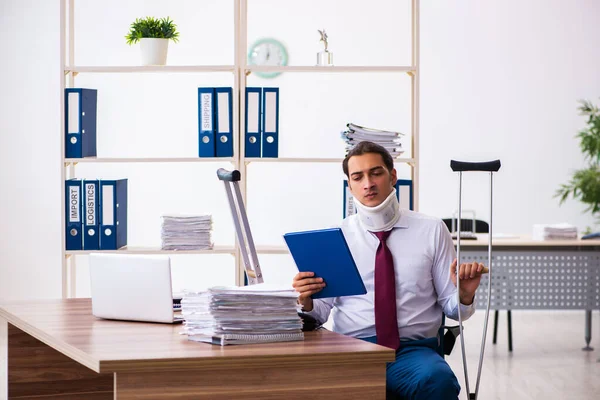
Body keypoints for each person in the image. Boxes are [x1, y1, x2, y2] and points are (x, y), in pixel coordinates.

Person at [292, 141, 485, 400]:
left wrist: (464, 295)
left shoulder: (431, 230)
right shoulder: (335, 237)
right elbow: (319, 315)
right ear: (350, 186)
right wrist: (304, 300)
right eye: (358, 177)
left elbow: (453, 310)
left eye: (376, 173)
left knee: (439, 381)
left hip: (412, 352)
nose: (368, 183)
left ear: (393, 176)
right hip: (352, 349)